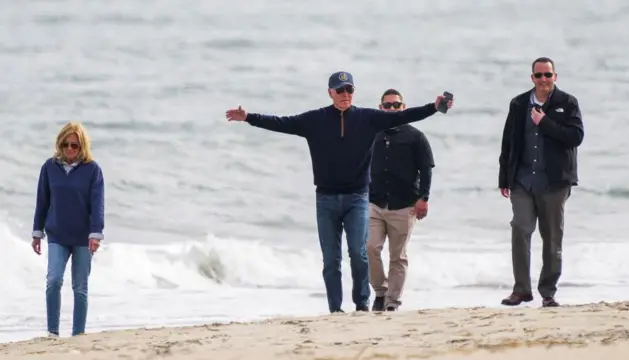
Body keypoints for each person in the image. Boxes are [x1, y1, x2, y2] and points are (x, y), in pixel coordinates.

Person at [226, 71, 453, 313]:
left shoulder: (368, 118)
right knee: (331, 260)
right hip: (325, 199)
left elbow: (407, 115)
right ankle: (335, 309)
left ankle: (362, 304)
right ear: (330, 92)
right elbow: (282, 122)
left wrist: (434, 106)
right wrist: (249, 117)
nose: (345, 94)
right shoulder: (315, 120)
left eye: (349, 90)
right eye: (340, 90)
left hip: (357, 198)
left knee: (359, 253)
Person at [498, 57, 584, 308]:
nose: (543, 80)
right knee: (520, 229)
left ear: (555, 77)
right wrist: (504, 178)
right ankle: (521, 290)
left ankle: (548, 292)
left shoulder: (567, 103)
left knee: (552, 236)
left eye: (548, 75)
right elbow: (508, 143)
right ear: (532, 78)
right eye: (539, 75)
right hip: (522, 180)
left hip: (555, 182)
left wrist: (544, 123)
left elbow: (575, 137)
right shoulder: (518, 103)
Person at [31, 122, 105, 336]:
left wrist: (96, 233)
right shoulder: (49, 167)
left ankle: (78, 335)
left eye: (75, 145)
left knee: (80, 289)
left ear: (83, 146)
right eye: (66, 144)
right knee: (53, 281)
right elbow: (42, 201)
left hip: (83, 237)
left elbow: (97, 204)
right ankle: (52, 333)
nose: (70, 149)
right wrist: (37, 232)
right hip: (57, 234)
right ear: (59, 144)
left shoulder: (93, 170)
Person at [366, 89, 435, 312]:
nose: (392, 109)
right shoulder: (371, 134)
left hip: (405, 205)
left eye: (396, 106)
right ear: (380, 108)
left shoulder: (415, 136)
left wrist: (423, 198)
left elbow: (426, 169)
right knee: (369, 248)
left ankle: (392, 302)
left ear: (403, 108)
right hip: (374, 202)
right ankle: (380, 291)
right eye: (387, 106)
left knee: (398, 256)